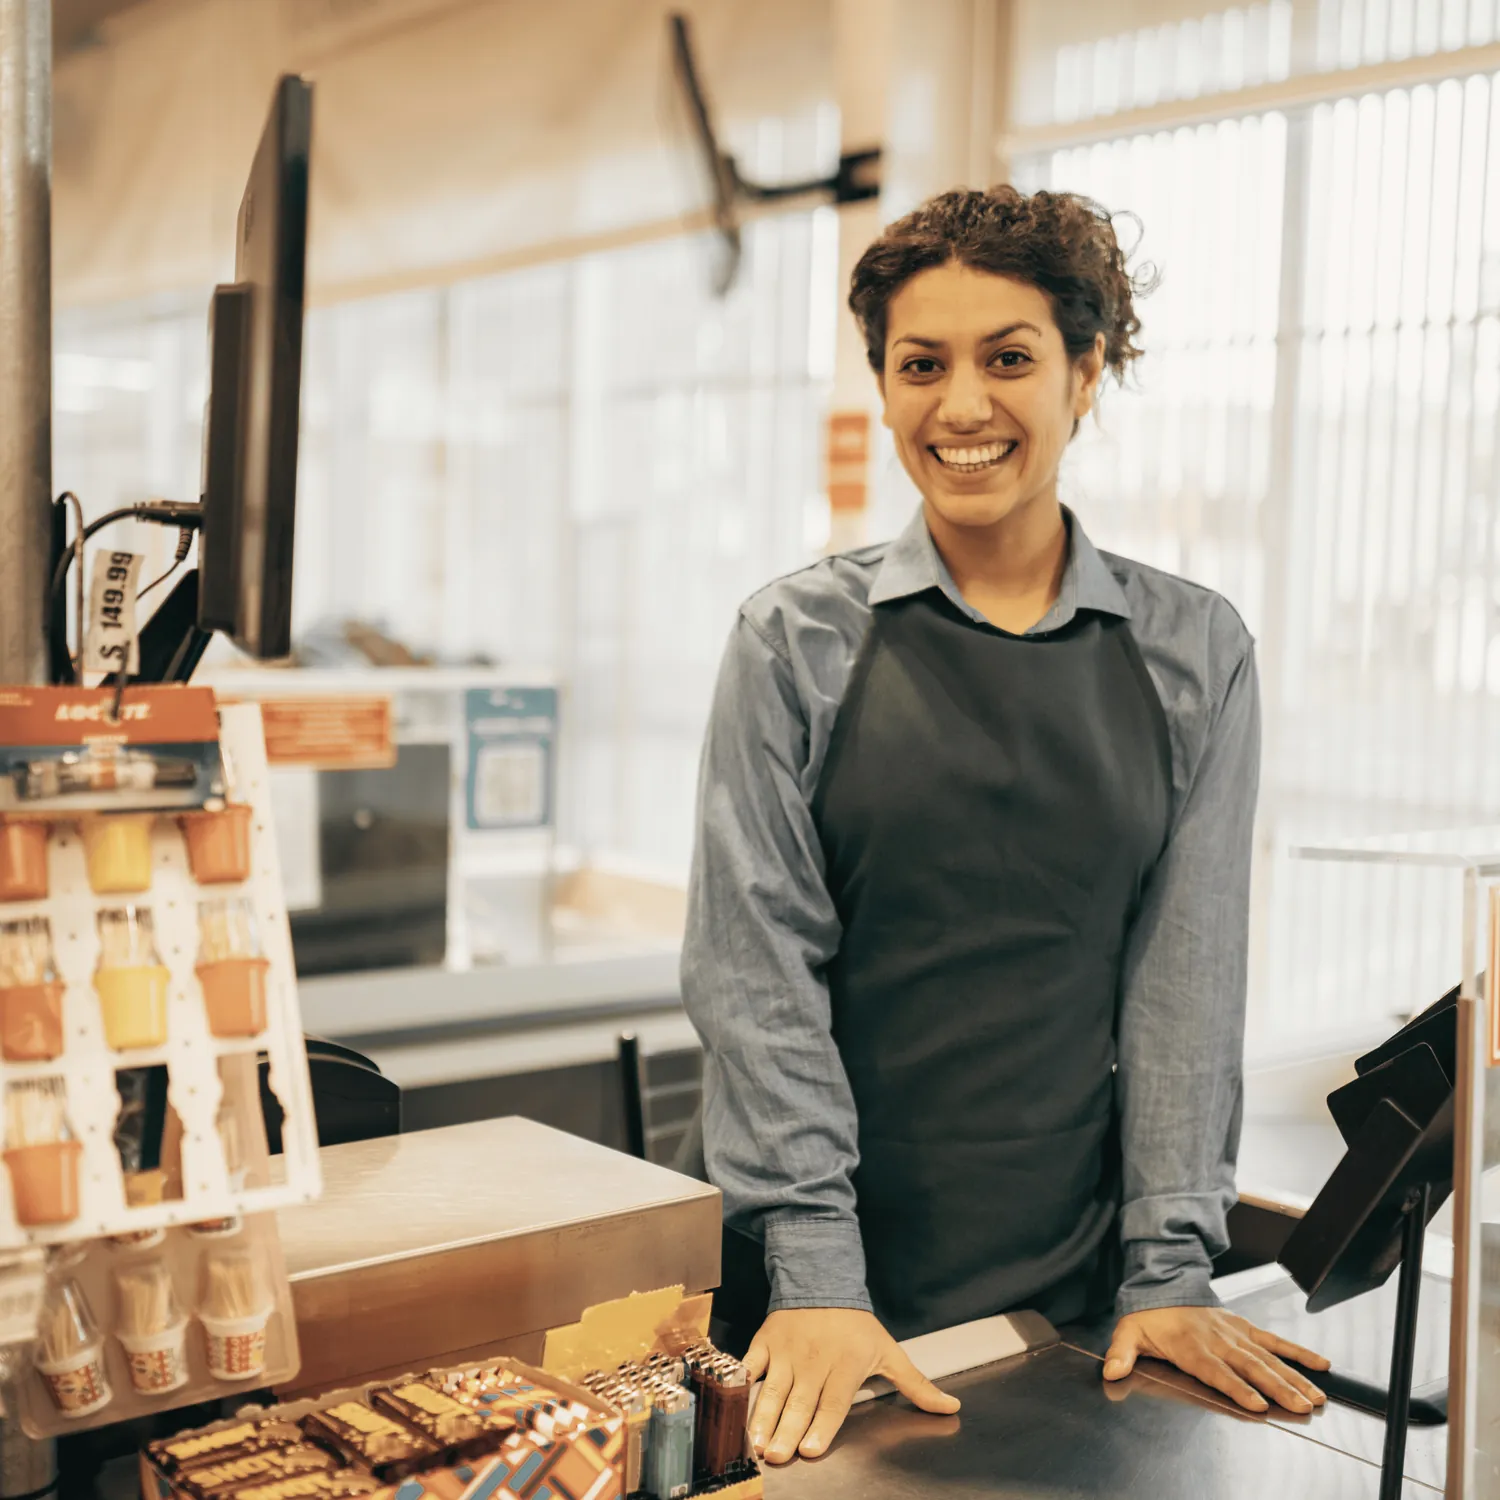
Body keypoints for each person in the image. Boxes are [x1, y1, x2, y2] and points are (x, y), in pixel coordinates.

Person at [679, 185, 1329, 1466]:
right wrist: (816, 1275)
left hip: (1070, 1298)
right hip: (820, 1294)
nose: (961, 405)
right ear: (883, 387)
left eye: (1011, 358)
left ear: (1087, 375)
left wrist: (1167, 1271)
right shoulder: (794, 642)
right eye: (921, 364)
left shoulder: (1196, 652)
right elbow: (756, 974)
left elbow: (1183, 990)